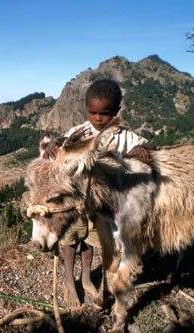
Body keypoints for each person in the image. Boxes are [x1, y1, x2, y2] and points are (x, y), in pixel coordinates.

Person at [42, 79, 156, 308]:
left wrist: (142, 149)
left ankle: (85, 277)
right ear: (86, 108)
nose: (97, 118)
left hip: (103, 206)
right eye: (92, 112)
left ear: (115, 111)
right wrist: (54, 144)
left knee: (92, 242)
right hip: (77, 201)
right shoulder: (79, 131)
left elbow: (149, 144)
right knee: (71, 239)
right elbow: (61, 145)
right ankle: (68, 280)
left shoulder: (123, 137)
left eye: (104, 113)